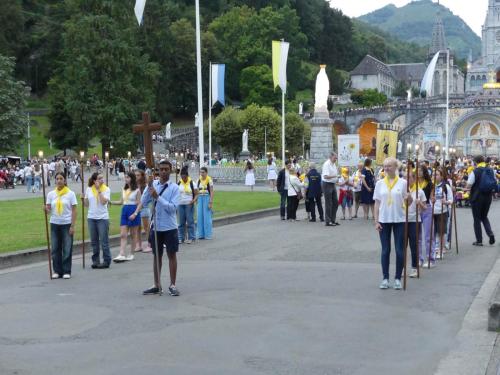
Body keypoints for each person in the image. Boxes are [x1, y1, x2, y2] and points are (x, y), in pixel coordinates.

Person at [141, 159, 181, 296]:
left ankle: (173, 284)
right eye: (161, 169)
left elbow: (172, 208)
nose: (163, 172)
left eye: (166, 169)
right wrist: (149, 186)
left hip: (169, 226)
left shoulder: (175, 188)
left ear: (170, 170)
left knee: (171, 254)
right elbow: (144, 202)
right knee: (156, 256)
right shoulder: (154, 185)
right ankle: (157, 284)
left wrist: (158, 197)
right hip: (156, 226)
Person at [374, 157, 409, 290]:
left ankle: (398, 278)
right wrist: (376, 221)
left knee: (400, 251)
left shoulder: (403, 183)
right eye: (385, 166)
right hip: (384, 219)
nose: (387, 168)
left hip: (399, 219)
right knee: (385, 250)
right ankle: (385, 278)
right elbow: (377, 203)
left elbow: (407, 202)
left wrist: (409, 198)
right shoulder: (379, 183)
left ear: (396, 167)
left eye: (389, 166)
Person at [45, 172, 78, 279]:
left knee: (67, 248)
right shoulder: (51, 194)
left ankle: (66, 270)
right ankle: (57, 271)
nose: (59, 180)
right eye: (57, 179)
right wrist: (46, 209)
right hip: (54, 223)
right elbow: (49, 210)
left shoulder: (70, 194)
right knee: (55, 248)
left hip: (66, 223)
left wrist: (72, 225)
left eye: (61, 178)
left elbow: (74, 210)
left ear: (65, 180)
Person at [111, 172, 142, 262]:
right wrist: (111, 202)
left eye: (127, 177)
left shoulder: (137, 190)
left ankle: (132, 253)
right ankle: (122, 253)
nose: (126, 179)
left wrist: (135, 213)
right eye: (125, 177)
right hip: (125, 210)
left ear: (131, 178)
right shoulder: (124, 189)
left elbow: (140, 203)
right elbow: (121, 201)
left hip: (133, 210)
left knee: (133, 234)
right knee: (123, 234)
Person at [83, 172, 111, 269]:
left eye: (102, 178)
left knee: (104, 241)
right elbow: (86, 205)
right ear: (94, 180)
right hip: (91, 217)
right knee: (94, 241)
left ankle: (106, 260)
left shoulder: (106, 189)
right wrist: (83, 199)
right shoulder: (89, 189)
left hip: (102, 218)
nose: (102, 180)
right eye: (99, 178)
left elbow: (103, 202)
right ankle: (95, 260)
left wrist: (99, 190)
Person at [467, 155, 496, 246]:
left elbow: (469, 184)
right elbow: (494, 181)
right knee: (484, 216)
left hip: (477, 197)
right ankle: (490, 233)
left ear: (476, 162)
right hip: (488, 197)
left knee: (477, 219)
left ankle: (479, 240)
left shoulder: (475, 171)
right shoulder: (490, 170)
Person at [407, 169, 427, 278]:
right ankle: (401, 268)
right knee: (401, 246)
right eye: (405, 177)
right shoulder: (402, 189)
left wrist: (420, 204)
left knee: (414, 245)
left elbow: (425, 208)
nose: (407, 180)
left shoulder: (420, 191)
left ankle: (414, 267)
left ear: (414, 179)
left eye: (409, 177)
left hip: (415, 220)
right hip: (402, 220)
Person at [432, 167, 453, 259]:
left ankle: (440, 249)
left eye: (436, 175)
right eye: (433, 175)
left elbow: (451, 200)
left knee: (441, 232)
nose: (434, 176)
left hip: (442, 211)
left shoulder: (445, 186)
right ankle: (435, 248)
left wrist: (446, 202)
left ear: (441, 176)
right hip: (432, 211)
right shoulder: (431, 186)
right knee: (433, 231)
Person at [418, 165, 435, 268]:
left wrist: (433, 198)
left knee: (428, 235)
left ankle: (430, 259)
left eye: (421, 171)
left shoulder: (429, 184)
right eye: (418, 171)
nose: (419, 173)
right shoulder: (414, 184)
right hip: (416, 209)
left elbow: (431, 197)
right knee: (417, 236)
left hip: (426, 208)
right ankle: (419, 258)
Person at [178, 166, 198, 244]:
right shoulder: (179, 183)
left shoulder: (192, 183)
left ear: (187, 176)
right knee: (181, 222)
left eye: (185, 177)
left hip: (189, 204)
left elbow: (196, 194)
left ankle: (191, 237)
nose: (183, 179)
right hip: (180, 204)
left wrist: (193, 201)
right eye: (182, 177)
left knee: (190, 221)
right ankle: (181, 237)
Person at [135, 170, 152, 252]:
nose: (136, 177)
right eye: (135, 175)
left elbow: (148, 198)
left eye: (138, 175)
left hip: (144, 208)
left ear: (142, 176)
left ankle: (150, 244)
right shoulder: (133, 185)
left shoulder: (145, 186)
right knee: (137, 227)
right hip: (136, 208)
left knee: (146, 227)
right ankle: (139, 245)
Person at [322, 152, 339, 226]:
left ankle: (333, 220)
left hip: (332, 184)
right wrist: (335, 176)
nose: (336, 159)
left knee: (335, 202)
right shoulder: (327, 164)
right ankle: (328, 221)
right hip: (327, 184)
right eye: (335, 158)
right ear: (331, 157)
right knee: (329, 203)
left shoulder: (333, 164)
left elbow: (334, 175)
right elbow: (325, 176)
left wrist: (336, 178)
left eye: (336, 158)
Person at [197, 166, 214, 240]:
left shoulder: (209, 180)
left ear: (206, 173)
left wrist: (210, 201)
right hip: (200, 198)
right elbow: (197, 190)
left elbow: (212, 191)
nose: (202, 174)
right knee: (199, 216)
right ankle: (200, 234)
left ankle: (208, 234)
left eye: (203, 172)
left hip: (206, 198)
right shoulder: (198, 180)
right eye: (201, 172)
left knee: (207, 217)